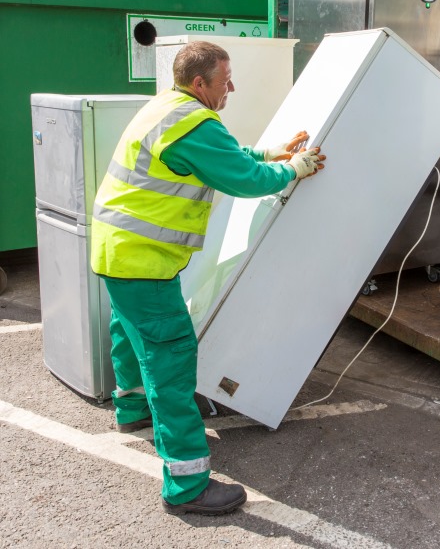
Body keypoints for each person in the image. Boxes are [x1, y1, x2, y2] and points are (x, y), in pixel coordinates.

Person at [90, 41, 326, 516]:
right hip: (143, 260)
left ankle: (132, 411)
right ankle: (187, 485)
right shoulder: (194, 122)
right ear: (200, 83)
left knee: (128, 333)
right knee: (171, 361)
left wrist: (269, 151)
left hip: (116, 249)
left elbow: (224, 156)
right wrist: (291, 169)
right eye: (225, 78)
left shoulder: (170, 107)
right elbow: (243, 179)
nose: (232, 86)